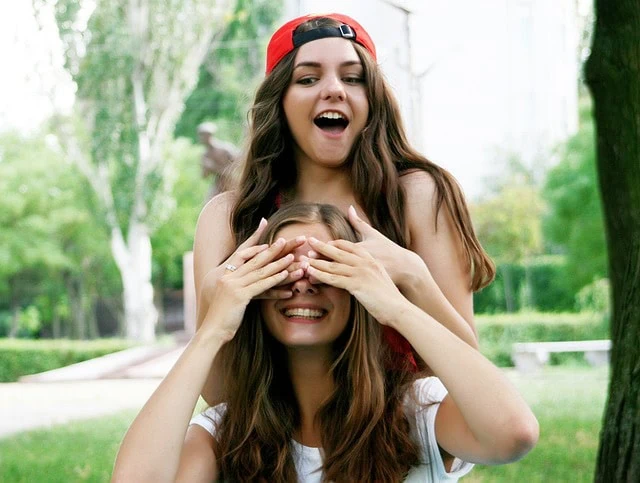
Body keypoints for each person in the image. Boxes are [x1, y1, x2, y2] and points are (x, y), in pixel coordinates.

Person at [112, 203, 538, 482]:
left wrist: (396, 305)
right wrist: (212, 331)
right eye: (282, 270)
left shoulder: (416, 413)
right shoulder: (227, 435)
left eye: (327, 268)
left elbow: (514, 433)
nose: (303, 284)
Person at [194, 13, 496, 404]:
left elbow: (470, 376)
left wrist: (411, 275)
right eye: (307, 78)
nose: (334, 90)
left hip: (400, 445)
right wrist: (213, 303)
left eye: (353, 78)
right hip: (275, 449)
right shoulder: (229, 217)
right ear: (279, 101)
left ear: (372, 99)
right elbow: (220, 397)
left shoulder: (419, 196)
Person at [197, 122, 239, 201]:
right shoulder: (205, 155)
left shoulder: (225, 149)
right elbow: (204, 176)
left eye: (202, 135)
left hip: (231, 185)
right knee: (209, 203)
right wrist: (206, 168)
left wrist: (214, 167)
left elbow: (238, 167)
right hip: (217, 187)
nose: (200, 138)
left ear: (209, 135)